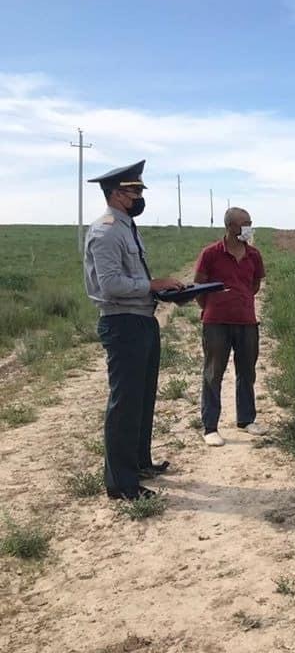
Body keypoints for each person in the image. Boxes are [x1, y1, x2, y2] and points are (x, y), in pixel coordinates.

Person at [84, 160, 184, 500]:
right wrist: (152, 284)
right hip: (122, 322)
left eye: (140, 190)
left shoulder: (127, 226)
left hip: (142, 319)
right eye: (134, 191)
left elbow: (131, 280)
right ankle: (121, 483)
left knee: (143, 398)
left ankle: (140, 462)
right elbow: (111, 284)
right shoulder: (107, 230)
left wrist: (162, 292)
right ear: (115, 194)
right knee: (125, 402)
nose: (140, 197)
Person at [193, 207, 266, 446]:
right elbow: (199, 288)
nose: (249, 227)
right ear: (231, 227)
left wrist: (241, 300)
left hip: (246, 321)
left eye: (250, 222)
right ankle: (210, 427)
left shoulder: (254, 255)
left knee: (247, 371)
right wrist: (213, 307)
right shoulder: (210, 254)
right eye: (245, 223)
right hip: (216, 322)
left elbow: (254, 285)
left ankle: (246, 419)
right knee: (213, 373)